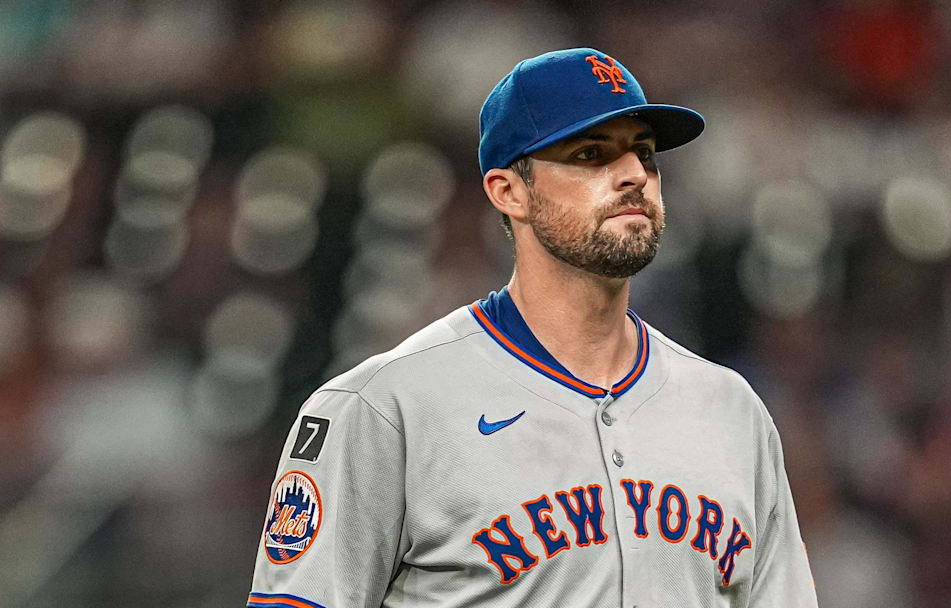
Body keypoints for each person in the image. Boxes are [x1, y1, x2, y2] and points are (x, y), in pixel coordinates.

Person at [247, 48, 818, 608]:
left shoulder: (731, 410)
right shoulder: (386, 407)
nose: (632, 175)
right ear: (508, 192)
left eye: (644, 153)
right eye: (592, 154)